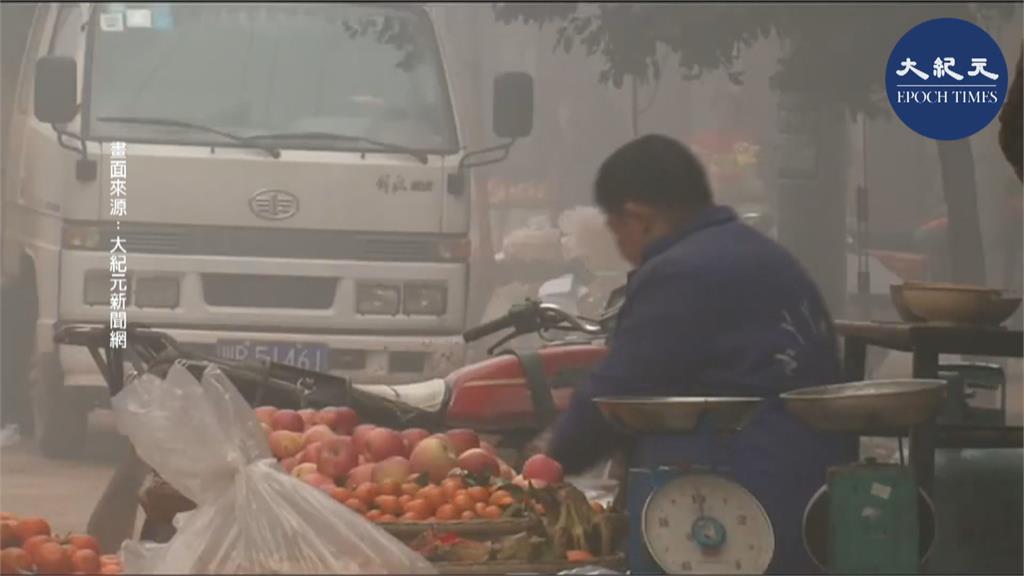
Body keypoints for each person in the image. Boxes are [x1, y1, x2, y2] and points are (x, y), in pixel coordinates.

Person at [546, 135, 857, 574]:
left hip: (742, 502)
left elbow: (618, 391)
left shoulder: (681, 273)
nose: (620, 247)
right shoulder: (760, 254)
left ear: (640, 218)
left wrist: (544, 469)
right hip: (811, 485)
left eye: (616, 231)